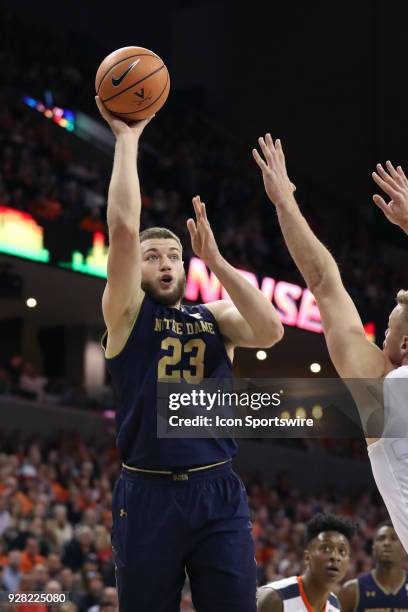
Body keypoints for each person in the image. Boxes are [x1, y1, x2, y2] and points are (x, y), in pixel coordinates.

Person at [95, 97, 284, 612]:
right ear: (135, 270)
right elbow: (122, 230)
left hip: (217, 489)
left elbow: (270, 331)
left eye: (174, 256)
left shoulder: (213, 317)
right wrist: (128, 140)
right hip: (148, 494)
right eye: (152, 256)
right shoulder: (126, 315)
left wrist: (216, 260)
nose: (165, 263)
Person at [252, 134, 408, 552]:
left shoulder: (387, 389)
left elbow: (323, 282)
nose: (379, 337)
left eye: (388, 329)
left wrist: (284, 202)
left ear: (405, 344)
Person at [257, 513, 354, 611]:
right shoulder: (275, 598)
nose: (335, 557)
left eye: (342, 551)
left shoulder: (334, 606)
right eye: (326, 548)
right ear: (307, 557)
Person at [339, 521, 408, 612]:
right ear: (373, 548)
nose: (386, 543)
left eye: (394, 538)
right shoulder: (352, 590)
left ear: (404, 547)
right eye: (381, 538)